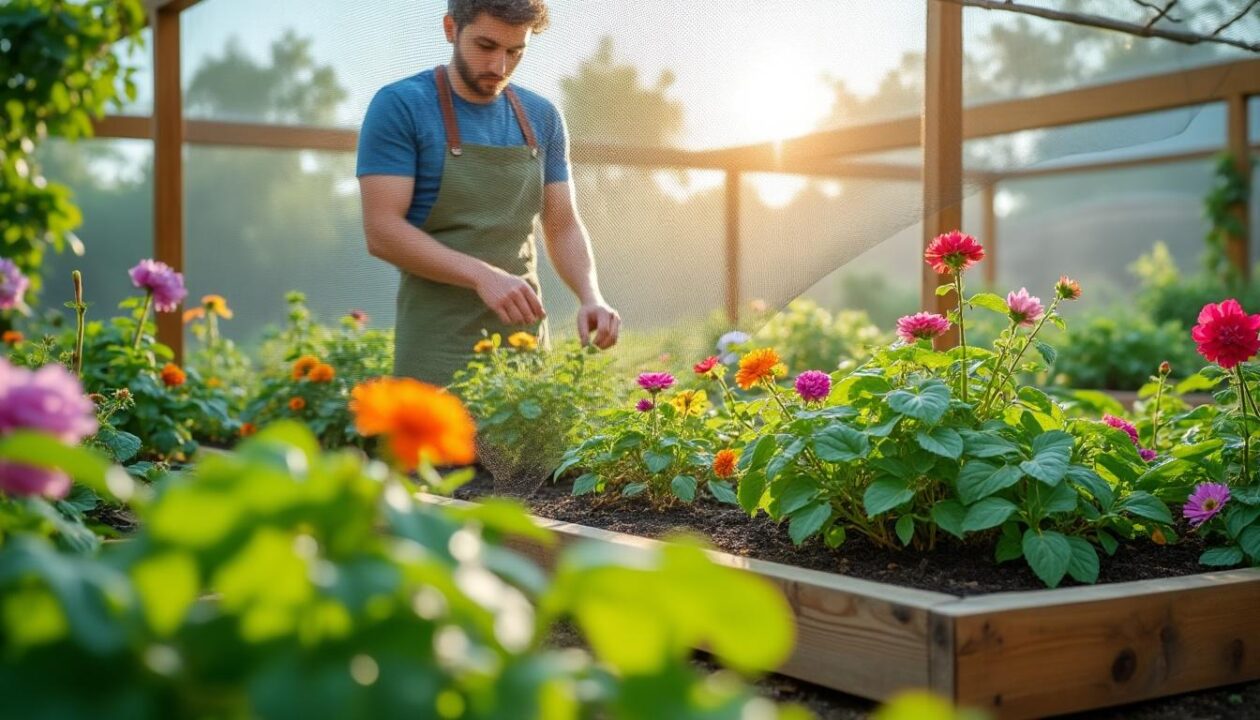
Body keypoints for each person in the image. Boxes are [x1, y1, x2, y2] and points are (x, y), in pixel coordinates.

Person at [357, 0, 620, 387]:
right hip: (435, 350)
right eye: (486, 46)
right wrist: (483, 276)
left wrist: (590, 296)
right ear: (451, 29)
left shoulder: (542, 117)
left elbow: (562, 225)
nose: (499, 66)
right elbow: (383, 232)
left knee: (527, 448)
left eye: (515, 52)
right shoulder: (401, 106)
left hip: (523, 348)